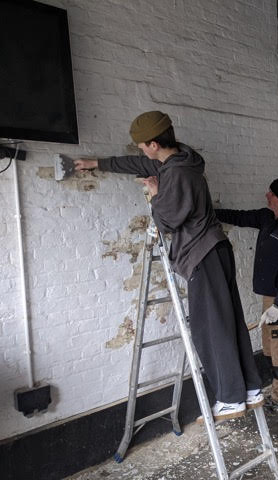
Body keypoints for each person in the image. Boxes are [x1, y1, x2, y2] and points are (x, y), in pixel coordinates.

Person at [74, 111, 263, 421]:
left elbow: (166, 222)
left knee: (210, 328)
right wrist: (98, 163)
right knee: (228, 320)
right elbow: (138, 164)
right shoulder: (183, 161)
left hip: (201, 254)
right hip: (216, 249)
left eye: (141, 146)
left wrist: (154, 193)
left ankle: (230, 397)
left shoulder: (175, 176)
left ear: (153, 144)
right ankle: (250, 388)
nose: (140, 152)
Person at [215, 177, 278, 431]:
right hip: (269, 299)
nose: (266, 195)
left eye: (270, 193)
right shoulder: (266, 218)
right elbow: (237, 216)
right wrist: (205, 212)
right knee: (272, 353)